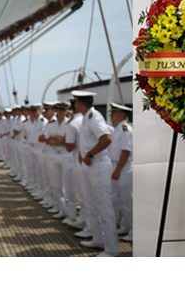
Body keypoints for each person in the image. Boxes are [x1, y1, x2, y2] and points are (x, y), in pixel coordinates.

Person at [71, 90, 118, 257]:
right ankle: (98, 239)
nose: (74, 104)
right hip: (89, 166)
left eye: (75, 102)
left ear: (80, 103)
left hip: (98, 165)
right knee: (92, 203)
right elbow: (88, 140)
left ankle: (112, 249)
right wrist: (82, 153)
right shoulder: (85, 118)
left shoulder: (94, 117)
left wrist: (90, 154)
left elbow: (106, 138)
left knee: (104, 207)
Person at [108, 102, 133, 243]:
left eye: (113, 112)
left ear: (121, 114)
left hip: (124, 168)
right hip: (116, 166)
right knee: (116, 198)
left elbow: (126, 150)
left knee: (127, 200)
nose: (111, 115)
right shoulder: (117, 129)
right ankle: (124, 226)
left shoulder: (125, 130)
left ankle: (133, 231)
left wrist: (117, 170)